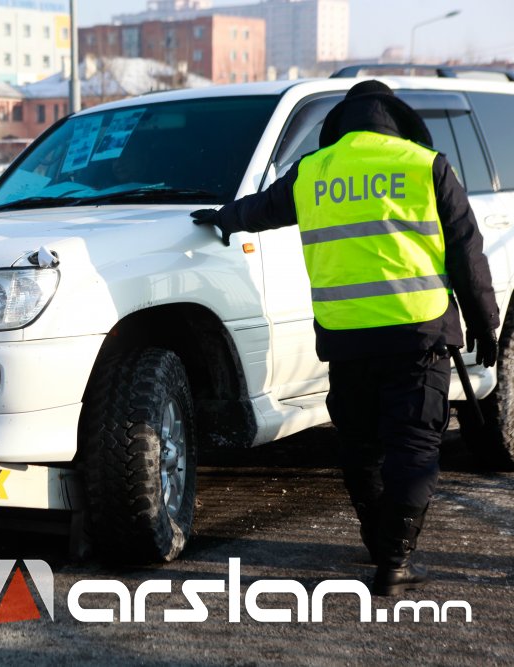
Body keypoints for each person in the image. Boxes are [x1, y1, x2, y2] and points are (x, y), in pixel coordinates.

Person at [190, 80, 500, 596]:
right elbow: (467, 251)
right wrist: (484, 322)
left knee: (361, 447)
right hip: (417, 334)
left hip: (347, 339)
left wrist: (223, 218)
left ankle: (379, 542)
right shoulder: (424, 165)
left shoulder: (315, 170)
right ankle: (395, 560)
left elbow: (262, 209)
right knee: (414, 445)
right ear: (396, 119)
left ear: (342, 121)